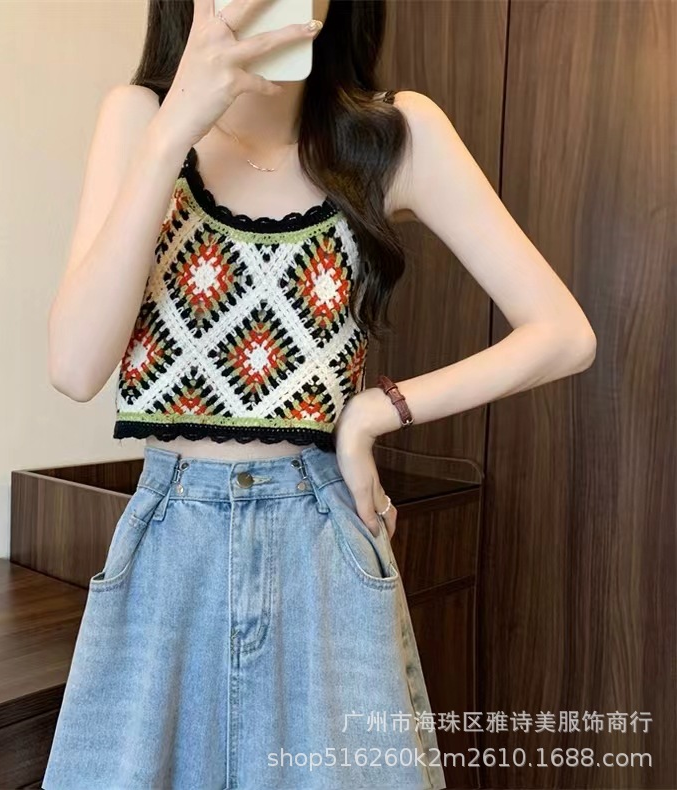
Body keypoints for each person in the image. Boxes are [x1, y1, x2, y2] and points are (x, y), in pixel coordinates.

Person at [42, 1, 596, 788]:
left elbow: (563, 333)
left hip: (322, 544)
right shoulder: (138, 120)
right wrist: (174, 130)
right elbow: (74, 366)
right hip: (170, 550)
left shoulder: (393, 135)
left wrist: (373, 413)